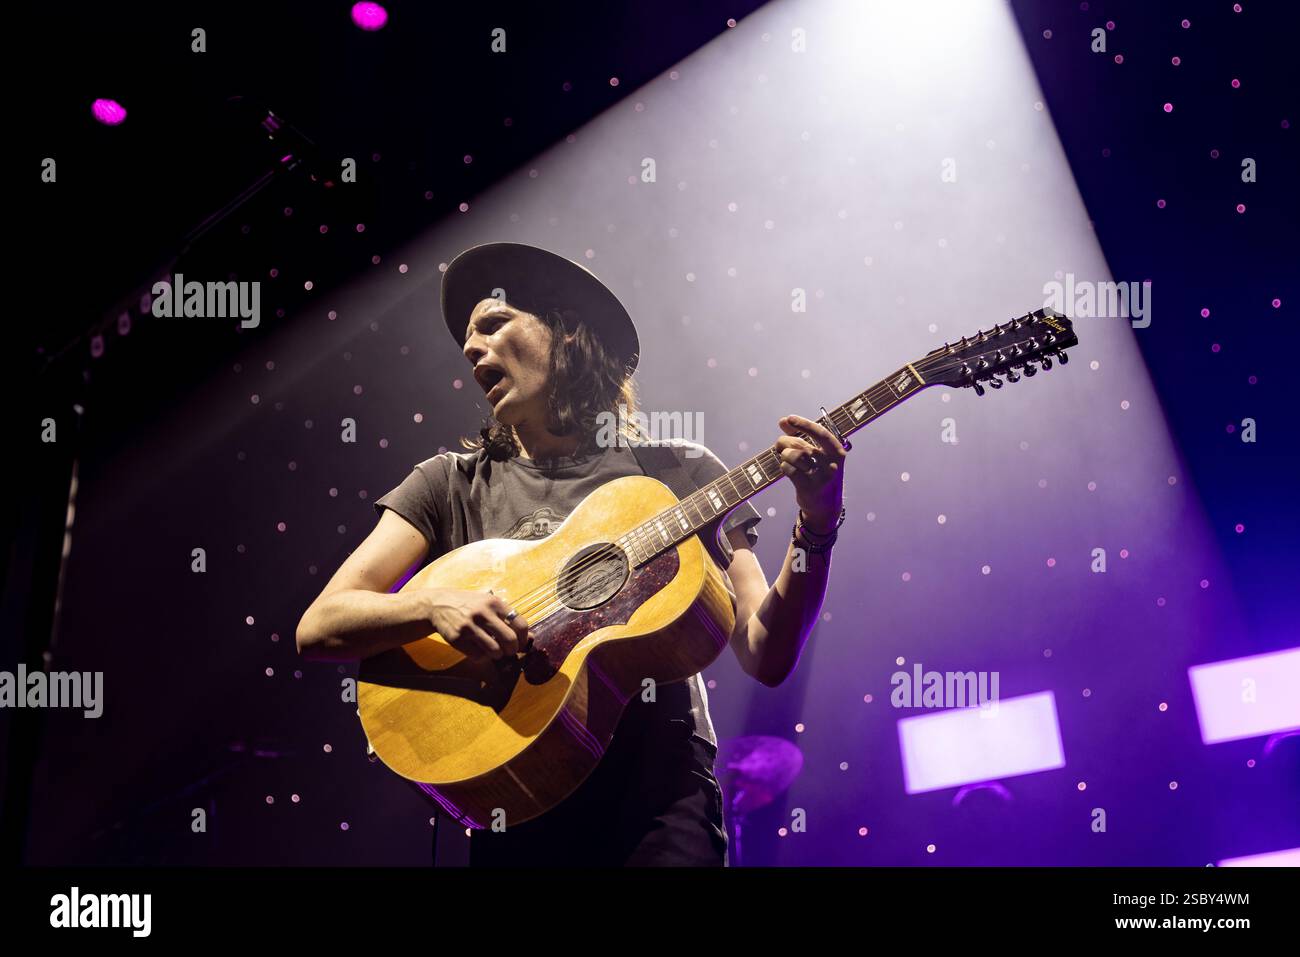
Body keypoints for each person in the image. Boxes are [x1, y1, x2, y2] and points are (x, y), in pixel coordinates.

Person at [295, 242, 848, 866]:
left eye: (493, 324)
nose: (473, 350)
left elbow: (764, 653)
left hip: (660, 801)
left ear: (565, 334)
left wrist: (817, 522)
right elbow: (320, 626)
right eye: (467, 344)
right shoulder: (448, 483)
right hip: (515, 787)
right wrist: (431, 606)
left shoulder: (679, 470)